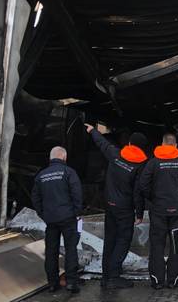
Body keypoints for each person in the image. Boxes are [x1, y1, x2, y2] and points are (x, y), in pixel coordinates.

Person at [85, 123, 148, 289]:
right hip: (125, 209)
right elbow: (137, 193)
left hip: (110, 205)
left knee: (110, 239)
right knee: (123, 240)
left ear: (129, 144)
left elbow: (102, 144)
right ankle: (113, 276)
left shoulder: (115, 155)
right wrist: (139, 213)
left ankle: (106, 276)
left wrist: (92, 131)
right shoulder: (141, 165)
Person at [31, 146, 83, 294]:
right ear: (64, 157)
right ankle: (72, 283)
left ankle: (53, 284)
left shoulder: (41, 176)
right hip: (68, 218)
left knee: (51, 251)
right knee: (71, 249)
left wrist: (43, 214)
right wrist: (76, 212)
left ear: (50, 158)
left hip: (51, 220)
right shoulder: (69, 172)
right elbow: (77, 194)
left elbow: (35, 197)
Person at [139, 132, 178, 289]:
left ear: (162, 144)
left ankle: (157, 281)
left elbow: (143, 184)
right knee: (177, 246)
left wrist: (153, 198)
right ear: (176, 146)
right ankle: (174, 280)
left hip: (158, 210)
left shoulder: (153, 163)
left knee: (157, 245)